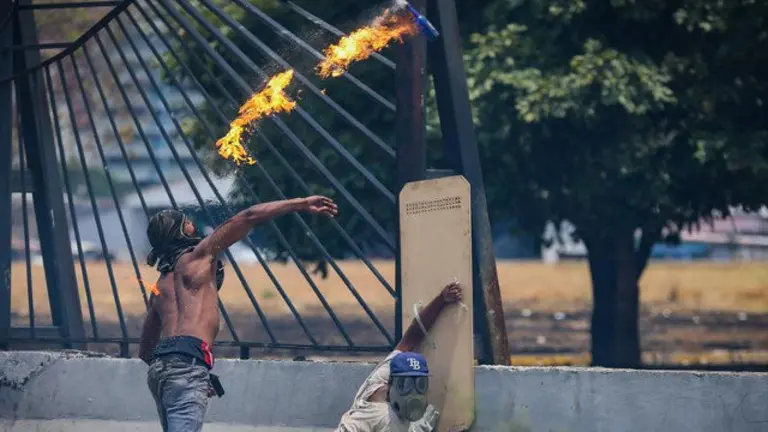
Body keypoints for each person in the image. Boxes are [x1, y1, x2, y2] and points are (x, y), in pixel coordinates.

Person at [138, 195, 338, 432]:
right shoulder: (199, 256)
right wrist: (301, 204)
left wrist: (179, 369)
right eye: (187, 221)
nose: (193, 222)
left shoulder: (159, 288)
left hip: (160, 369)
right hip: (187, 364)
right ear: (181, 231)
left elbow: (145, 351)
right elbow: (248, 217)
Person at [335, 281, 465, 432]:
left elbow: (413, 336)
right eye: (406, 384)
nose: (414, 392)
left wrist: (441, 299)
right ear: (391, 382)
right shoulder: (375, 415)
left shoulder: (385, 373)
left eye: (420, 384)